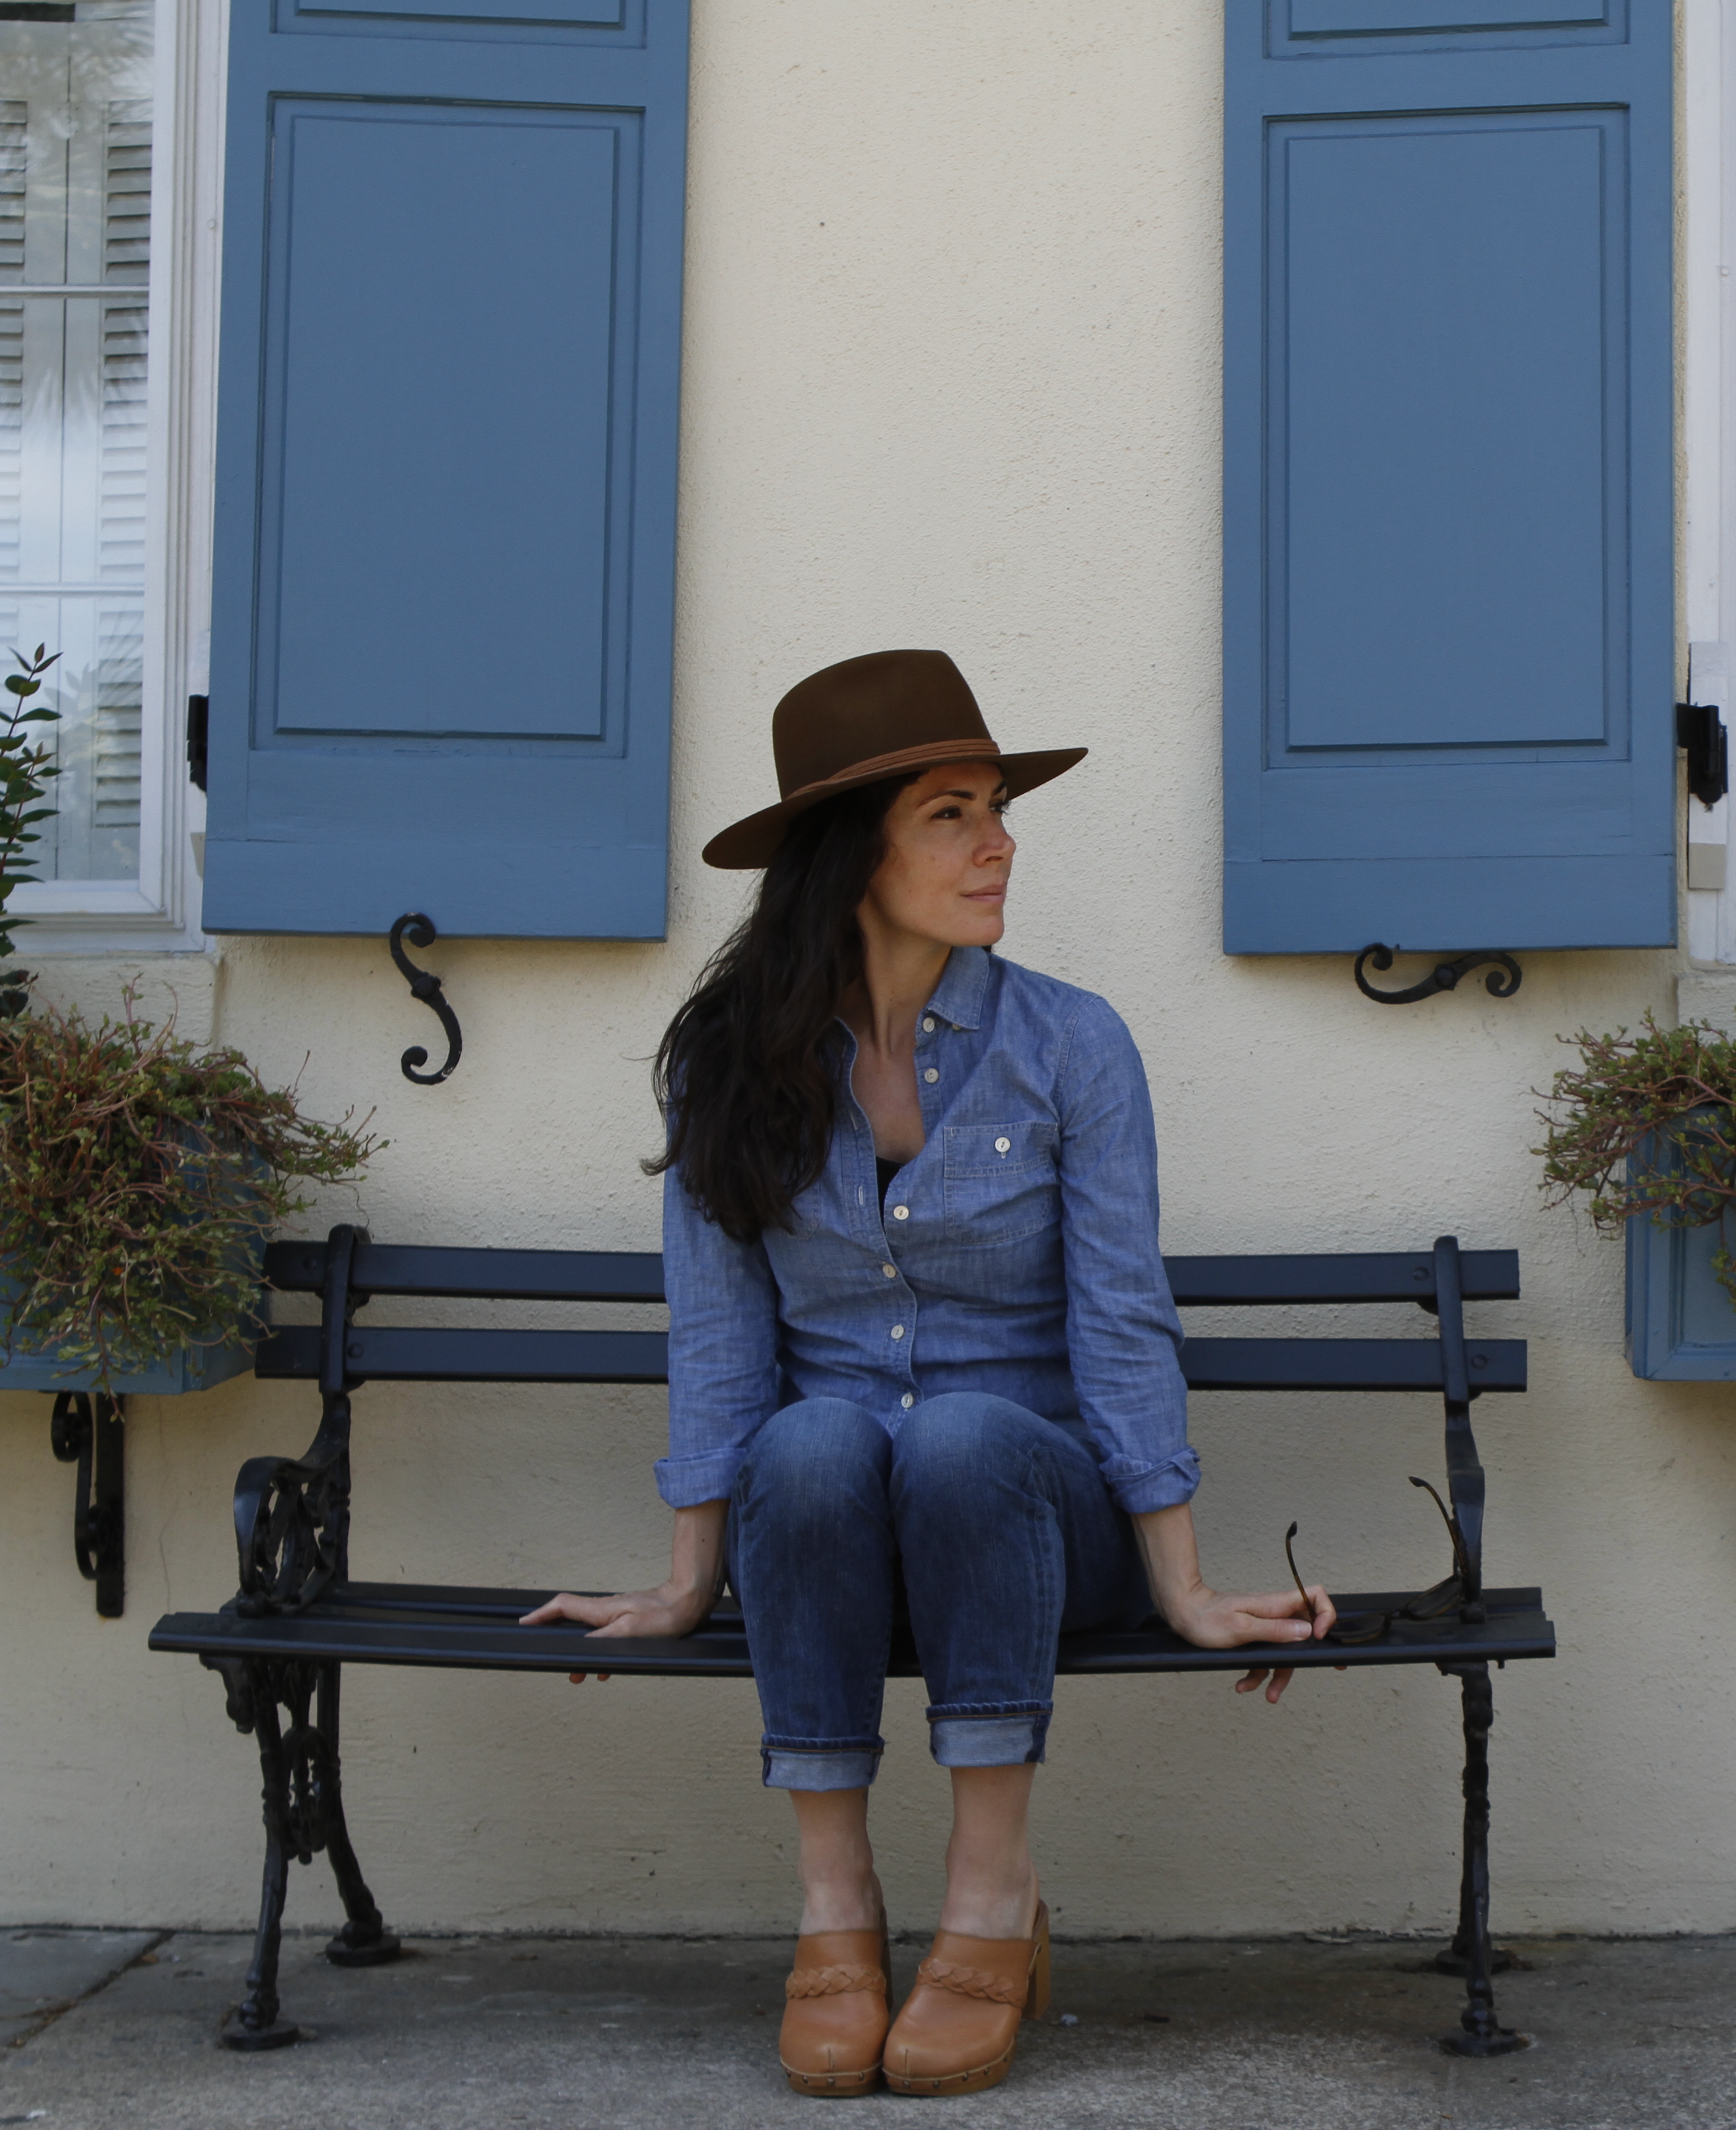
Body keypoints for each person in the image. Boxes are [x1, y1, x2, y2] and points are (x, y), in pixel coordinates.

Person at [524, 650, 1333, 2098]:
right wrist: (684, 1577)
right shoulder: (730, 1062)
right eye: (952, 814)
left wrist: (1185, 1580)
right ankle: (835, 1904)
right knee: (813, 1438)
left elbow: (1123, 1320)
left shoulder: (1072, 1046)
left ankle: (989, 1896)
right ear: (853, 857)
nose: (999, 842)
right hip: (828, 1536)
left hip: (1033, 1522)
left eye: (998, 809)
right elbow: (718, 1342)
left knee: (962, 1433)